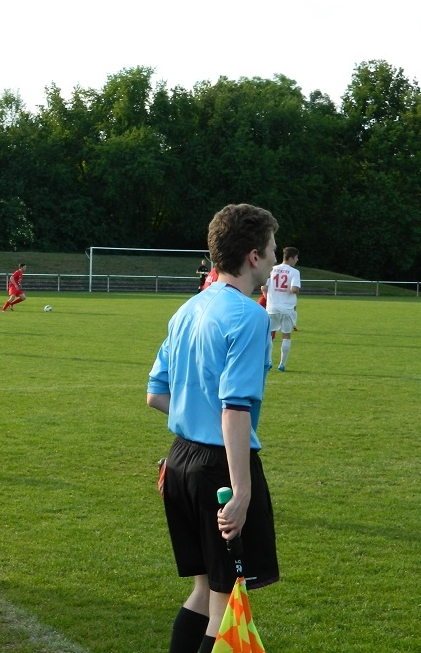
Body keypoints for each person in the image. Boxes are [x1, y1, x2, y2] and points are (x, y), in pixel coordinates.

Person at [146, 204, 280, 653]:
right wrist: (241, 491)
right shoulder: (249, 315)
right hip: (219, 469)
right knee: (226, 608)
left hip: (180, 460)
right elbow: (234, 409)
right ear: (254, 256)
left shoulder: (187, 309)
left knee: (204, 594)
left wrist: (194, 421)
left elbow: (156, 393)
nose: (275, 257)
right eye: (272, 248)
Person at [266, 247, 300, 371]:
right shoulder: (294, 272)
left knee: (269, 334)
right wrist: (295, 290)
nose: (297, 260)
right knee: (286, 335)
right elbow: (294, 289)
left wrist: (271, 297)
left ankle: (269, 361)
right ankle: (282, 364)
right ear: (291, 258)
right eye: (296, 258)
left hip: (272, 307)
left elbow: (264, 287)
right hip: (287, 308)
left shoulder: (272, 269)